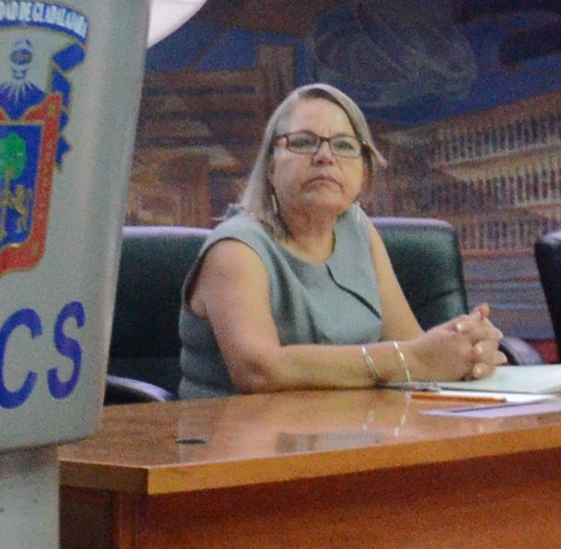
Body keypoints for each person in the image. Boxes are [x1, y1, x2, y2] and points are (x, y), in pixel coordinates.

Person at [180, 84, 508, 395]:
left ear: (363, 171)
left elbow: (412, 348)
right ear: (270, 166)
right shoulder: (236, 248)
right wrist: (413, 359)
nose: (325, 156)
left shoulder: (357, 229)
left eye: (344, 145)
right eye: (304, 142)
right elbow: (259, 370)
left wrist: (463, 345)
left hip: (352, 432)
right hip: (238, 443)